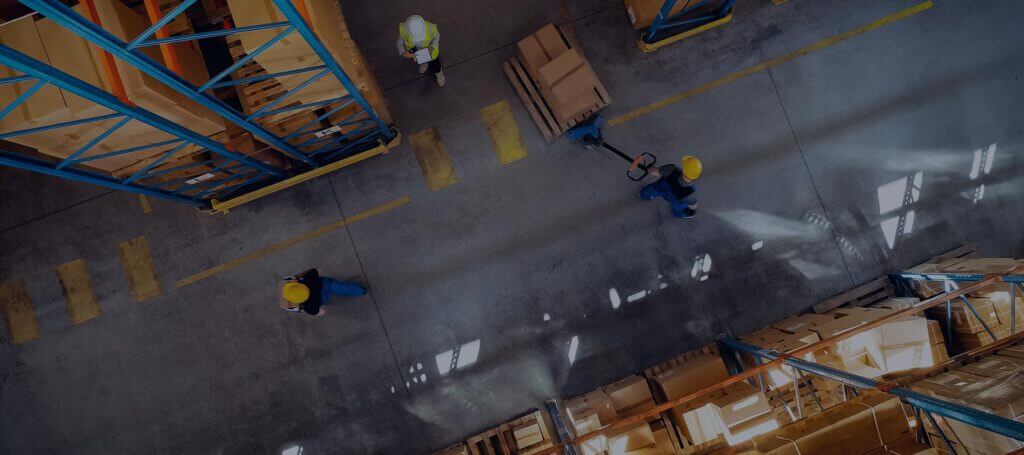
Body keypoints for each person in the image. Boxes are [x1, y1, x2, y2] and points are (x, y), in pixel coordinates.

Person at [280, 268, 366, 316]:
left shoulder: (308, 307)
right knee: (342, 288)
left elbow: (321, 312)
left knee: (328, 295)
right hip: (326, 284)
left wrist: (303, 309)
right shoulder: (307, 278)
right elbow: (318, 270)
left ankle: (360, 291)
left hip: (321, 299)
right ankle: (361, 291)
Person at [397, 15, 444, 87]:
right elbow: (399, 43)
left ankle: (438, 72)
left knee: (436, 64)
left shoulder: (430, 27)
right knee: (422, 60)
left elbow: (437, 36)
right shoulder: (404, 31)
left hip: (431, 51)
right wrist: (403, 52)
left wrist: (432, 46)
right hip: (417, 53)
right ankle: (424, 64)